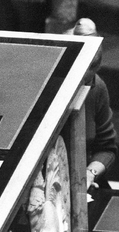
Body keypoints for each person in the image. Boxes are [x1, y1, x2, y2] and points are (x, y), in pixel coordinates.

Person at [66, 18, 117, 191]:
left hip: (83, 180)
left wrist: (90, 172)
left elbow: (107, 148)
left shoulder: (97, 87)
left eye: (88, 81)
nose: (84, 87)